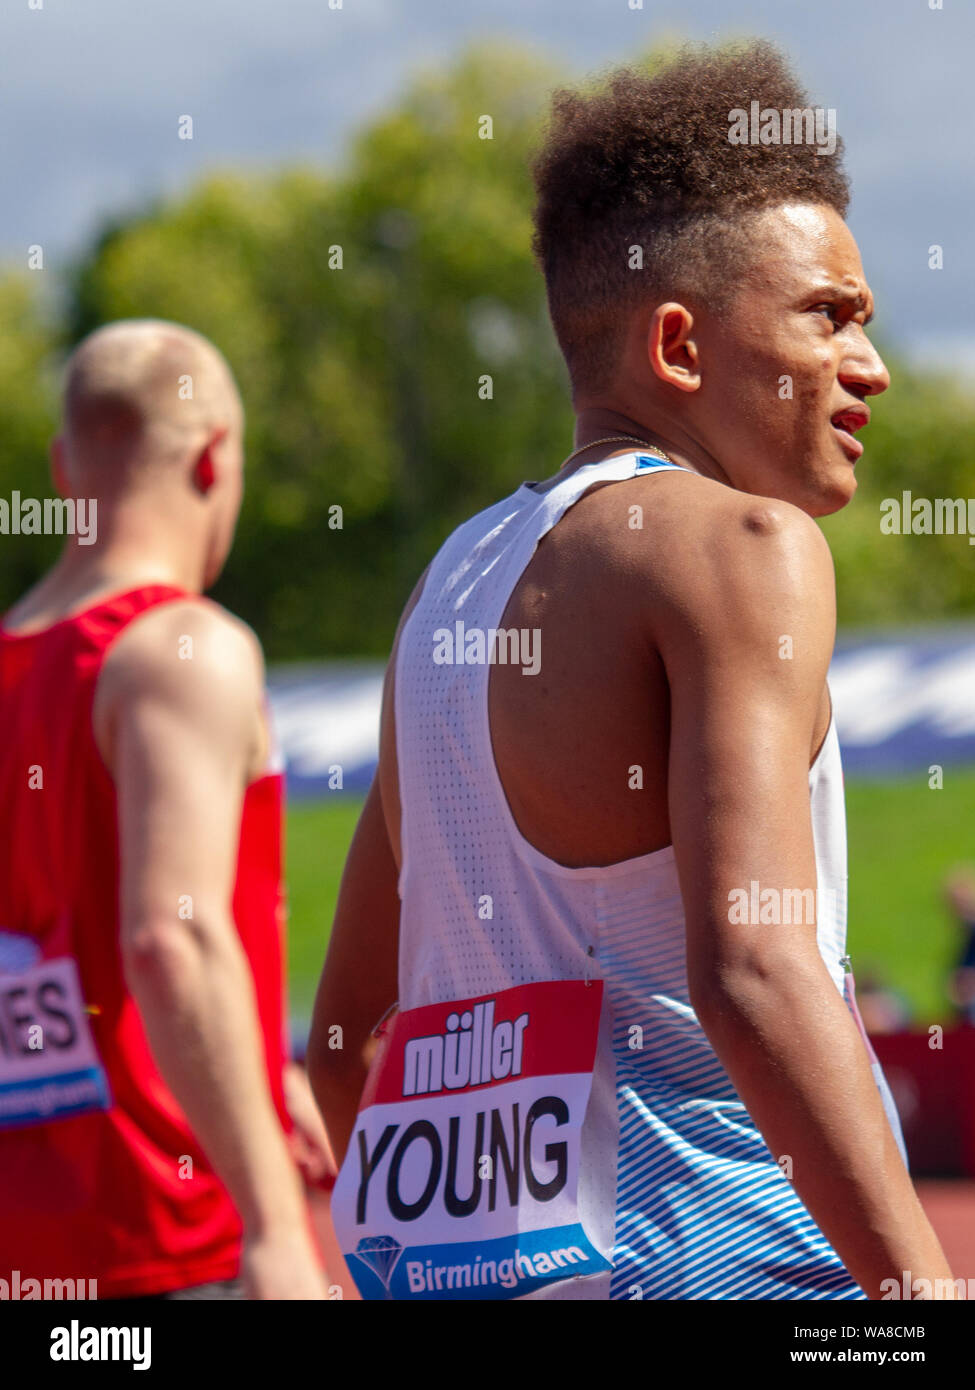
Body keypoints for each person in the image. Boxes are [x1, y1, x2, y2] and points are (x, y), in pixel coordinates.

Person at [309, 41, 956, 1300]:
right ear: (677, 345)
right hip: (724, 1258)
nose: (870, 367)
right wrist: (919, 1291)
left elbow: (343, 1030)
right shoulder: (747, 549)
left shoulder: (448, 584)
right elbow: (755, 965)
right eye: (827, 314)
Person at [0, 319, 329, 1299]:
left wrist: (263, 1074)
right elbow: (169, 939)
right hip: (169, 1238)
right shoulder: (179, 649)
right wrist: (274, 1222)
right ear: (215, 456)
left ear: (65, 468)